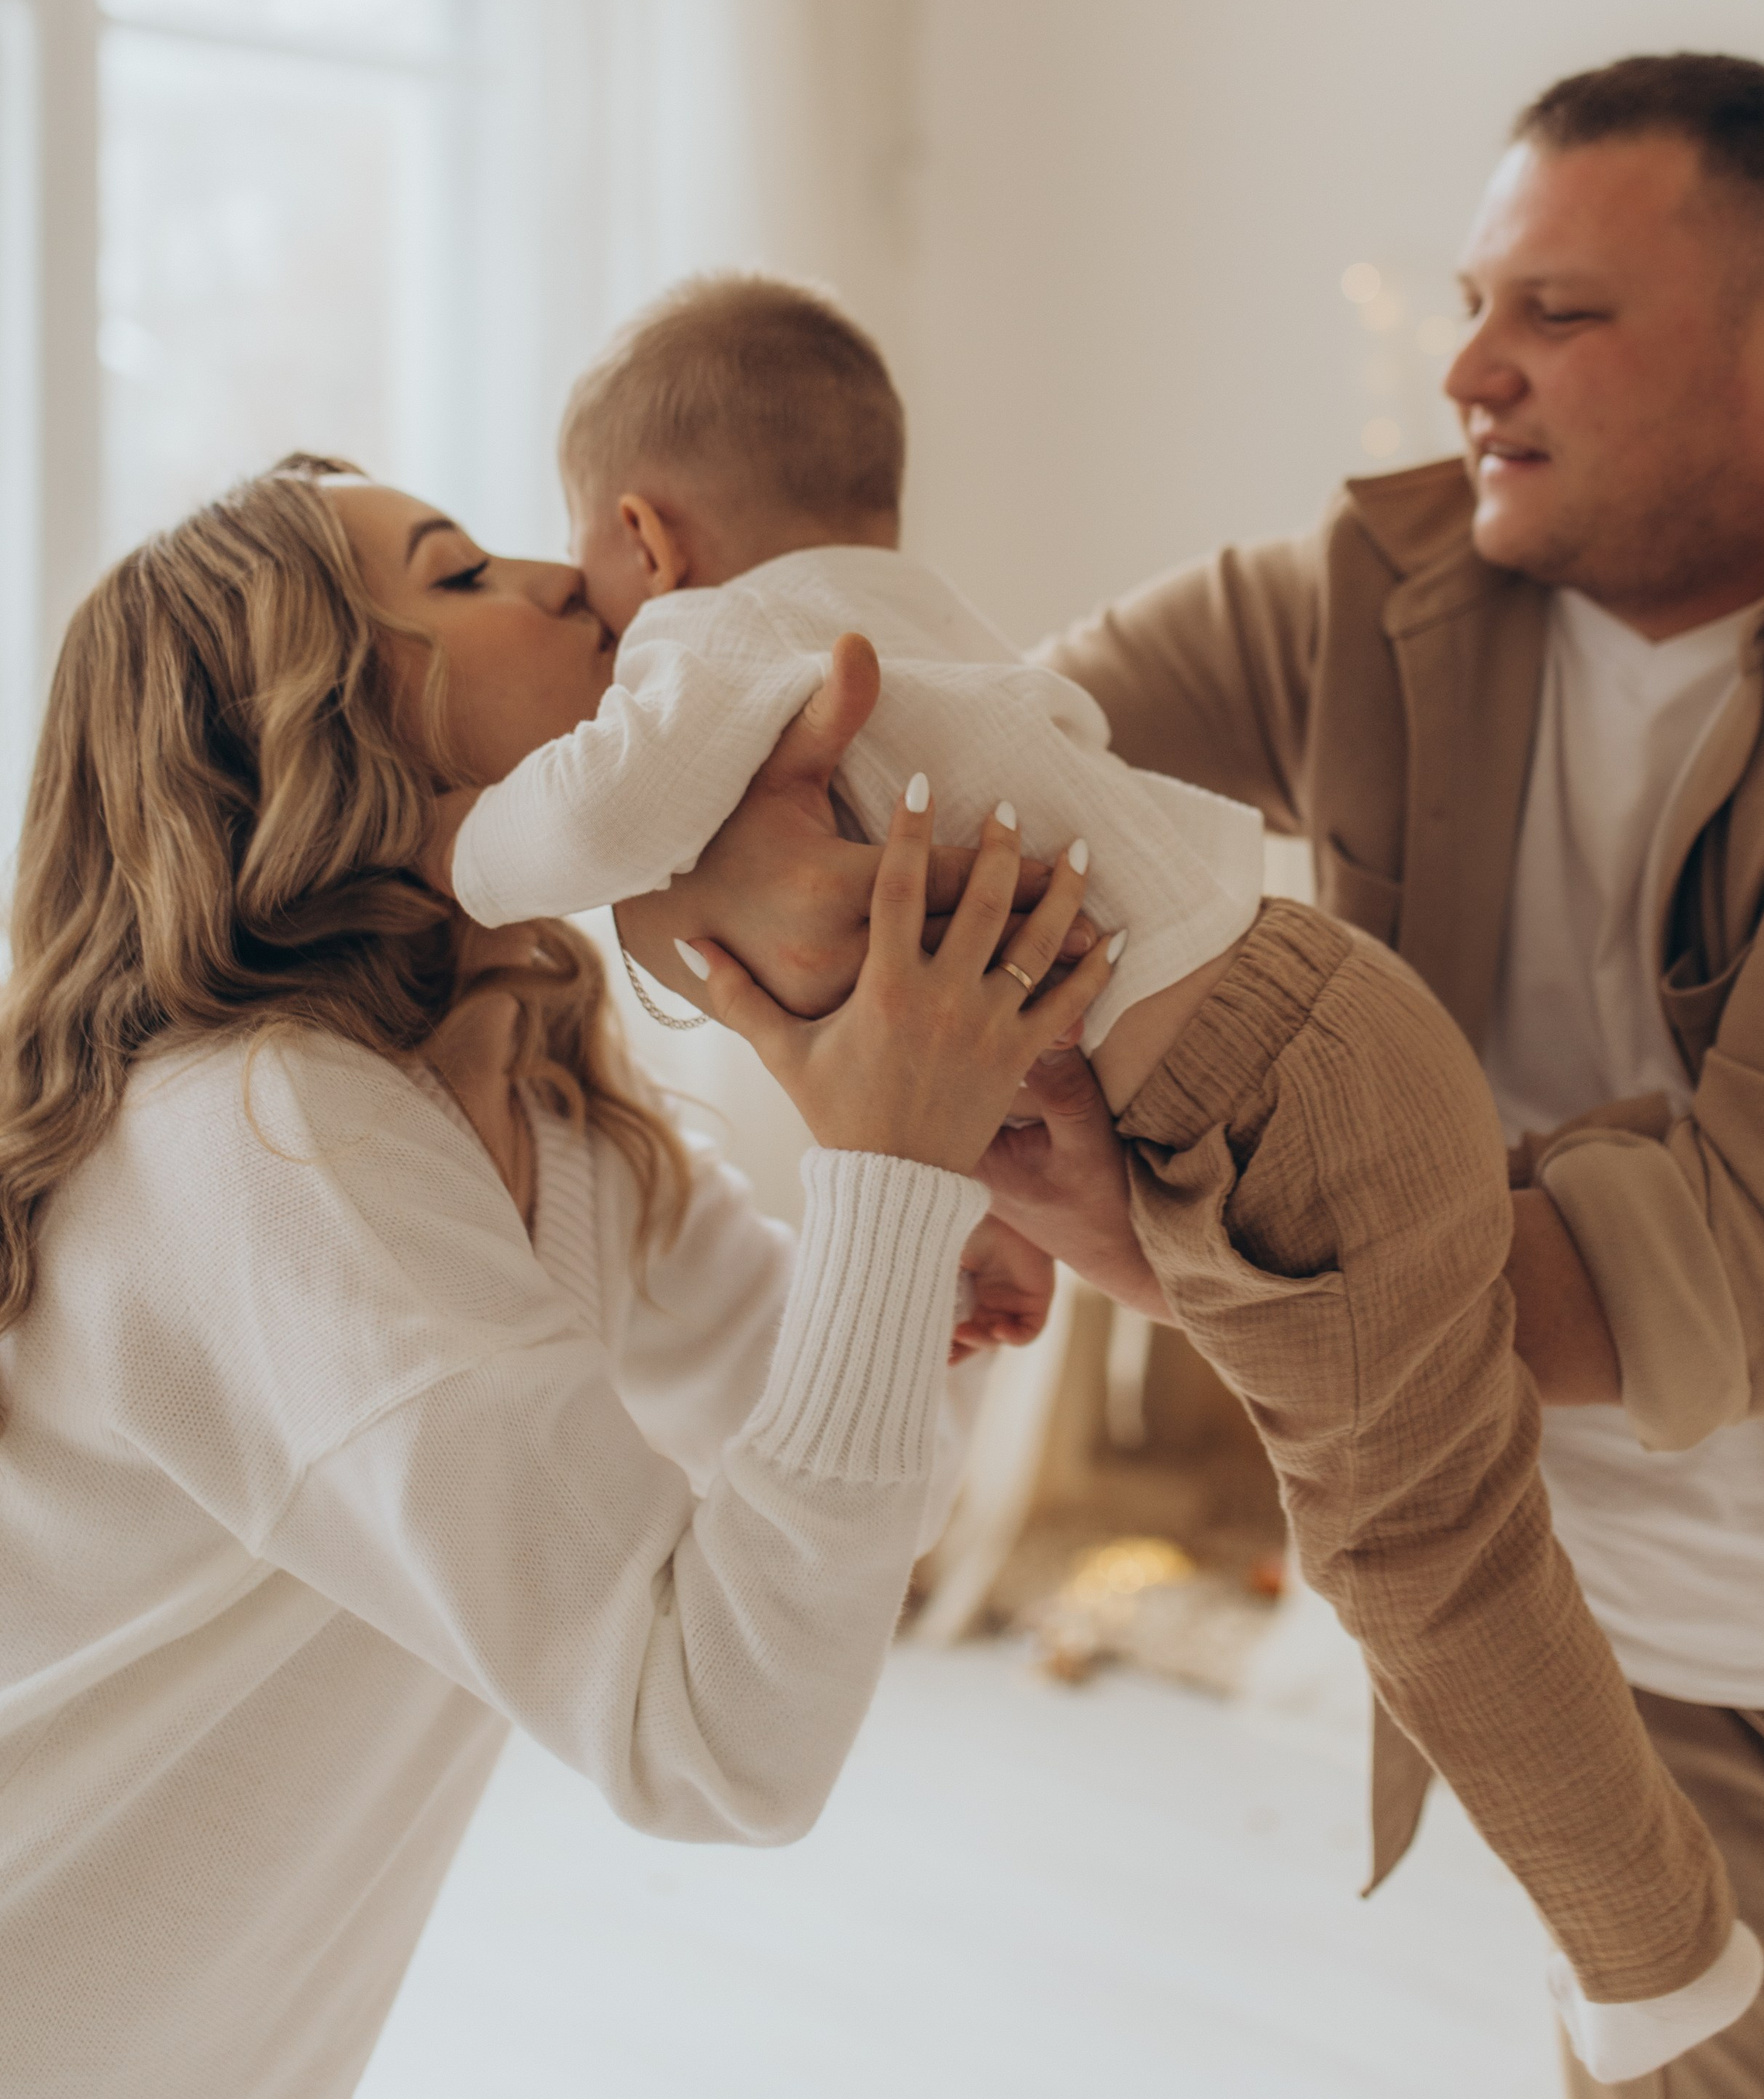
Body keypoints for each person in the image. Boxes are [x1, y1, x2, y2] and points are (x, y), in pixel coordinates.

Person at [442, 271, 1762, 2080]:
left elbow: (587, 815)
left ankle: (1655, 1947)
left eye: (590, 594)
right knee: (1427, 1508)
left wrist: (454, 841)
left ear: (645, 538)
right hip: (1308, 1023)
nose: (600, 643)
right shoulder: (915, 620)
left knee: (1418, 1546)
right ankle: (1643, 1927)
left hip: (1272, 1088)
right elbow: (974, 988)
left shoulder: (714, 642)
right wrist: (981, 1217)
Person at [1025, 54, 1764, 2099]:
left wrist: (1169, 1241)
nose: (1470, 371)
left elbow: (1746, 1251)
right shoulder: (1376, 606)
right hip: (1642, 1694)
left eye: (1556, 312)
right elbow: (974, 768)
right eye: (1472, 302)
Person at [0, 456, 1108, 2099]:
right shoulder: (268, 1141)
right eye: (457, 575)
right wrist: (893, 1177)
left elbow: (828, 1499)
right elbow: (719, 1742)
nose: (564, 582)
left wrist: (937, 1222)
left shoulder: (544, 1116)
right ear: (324, 735)